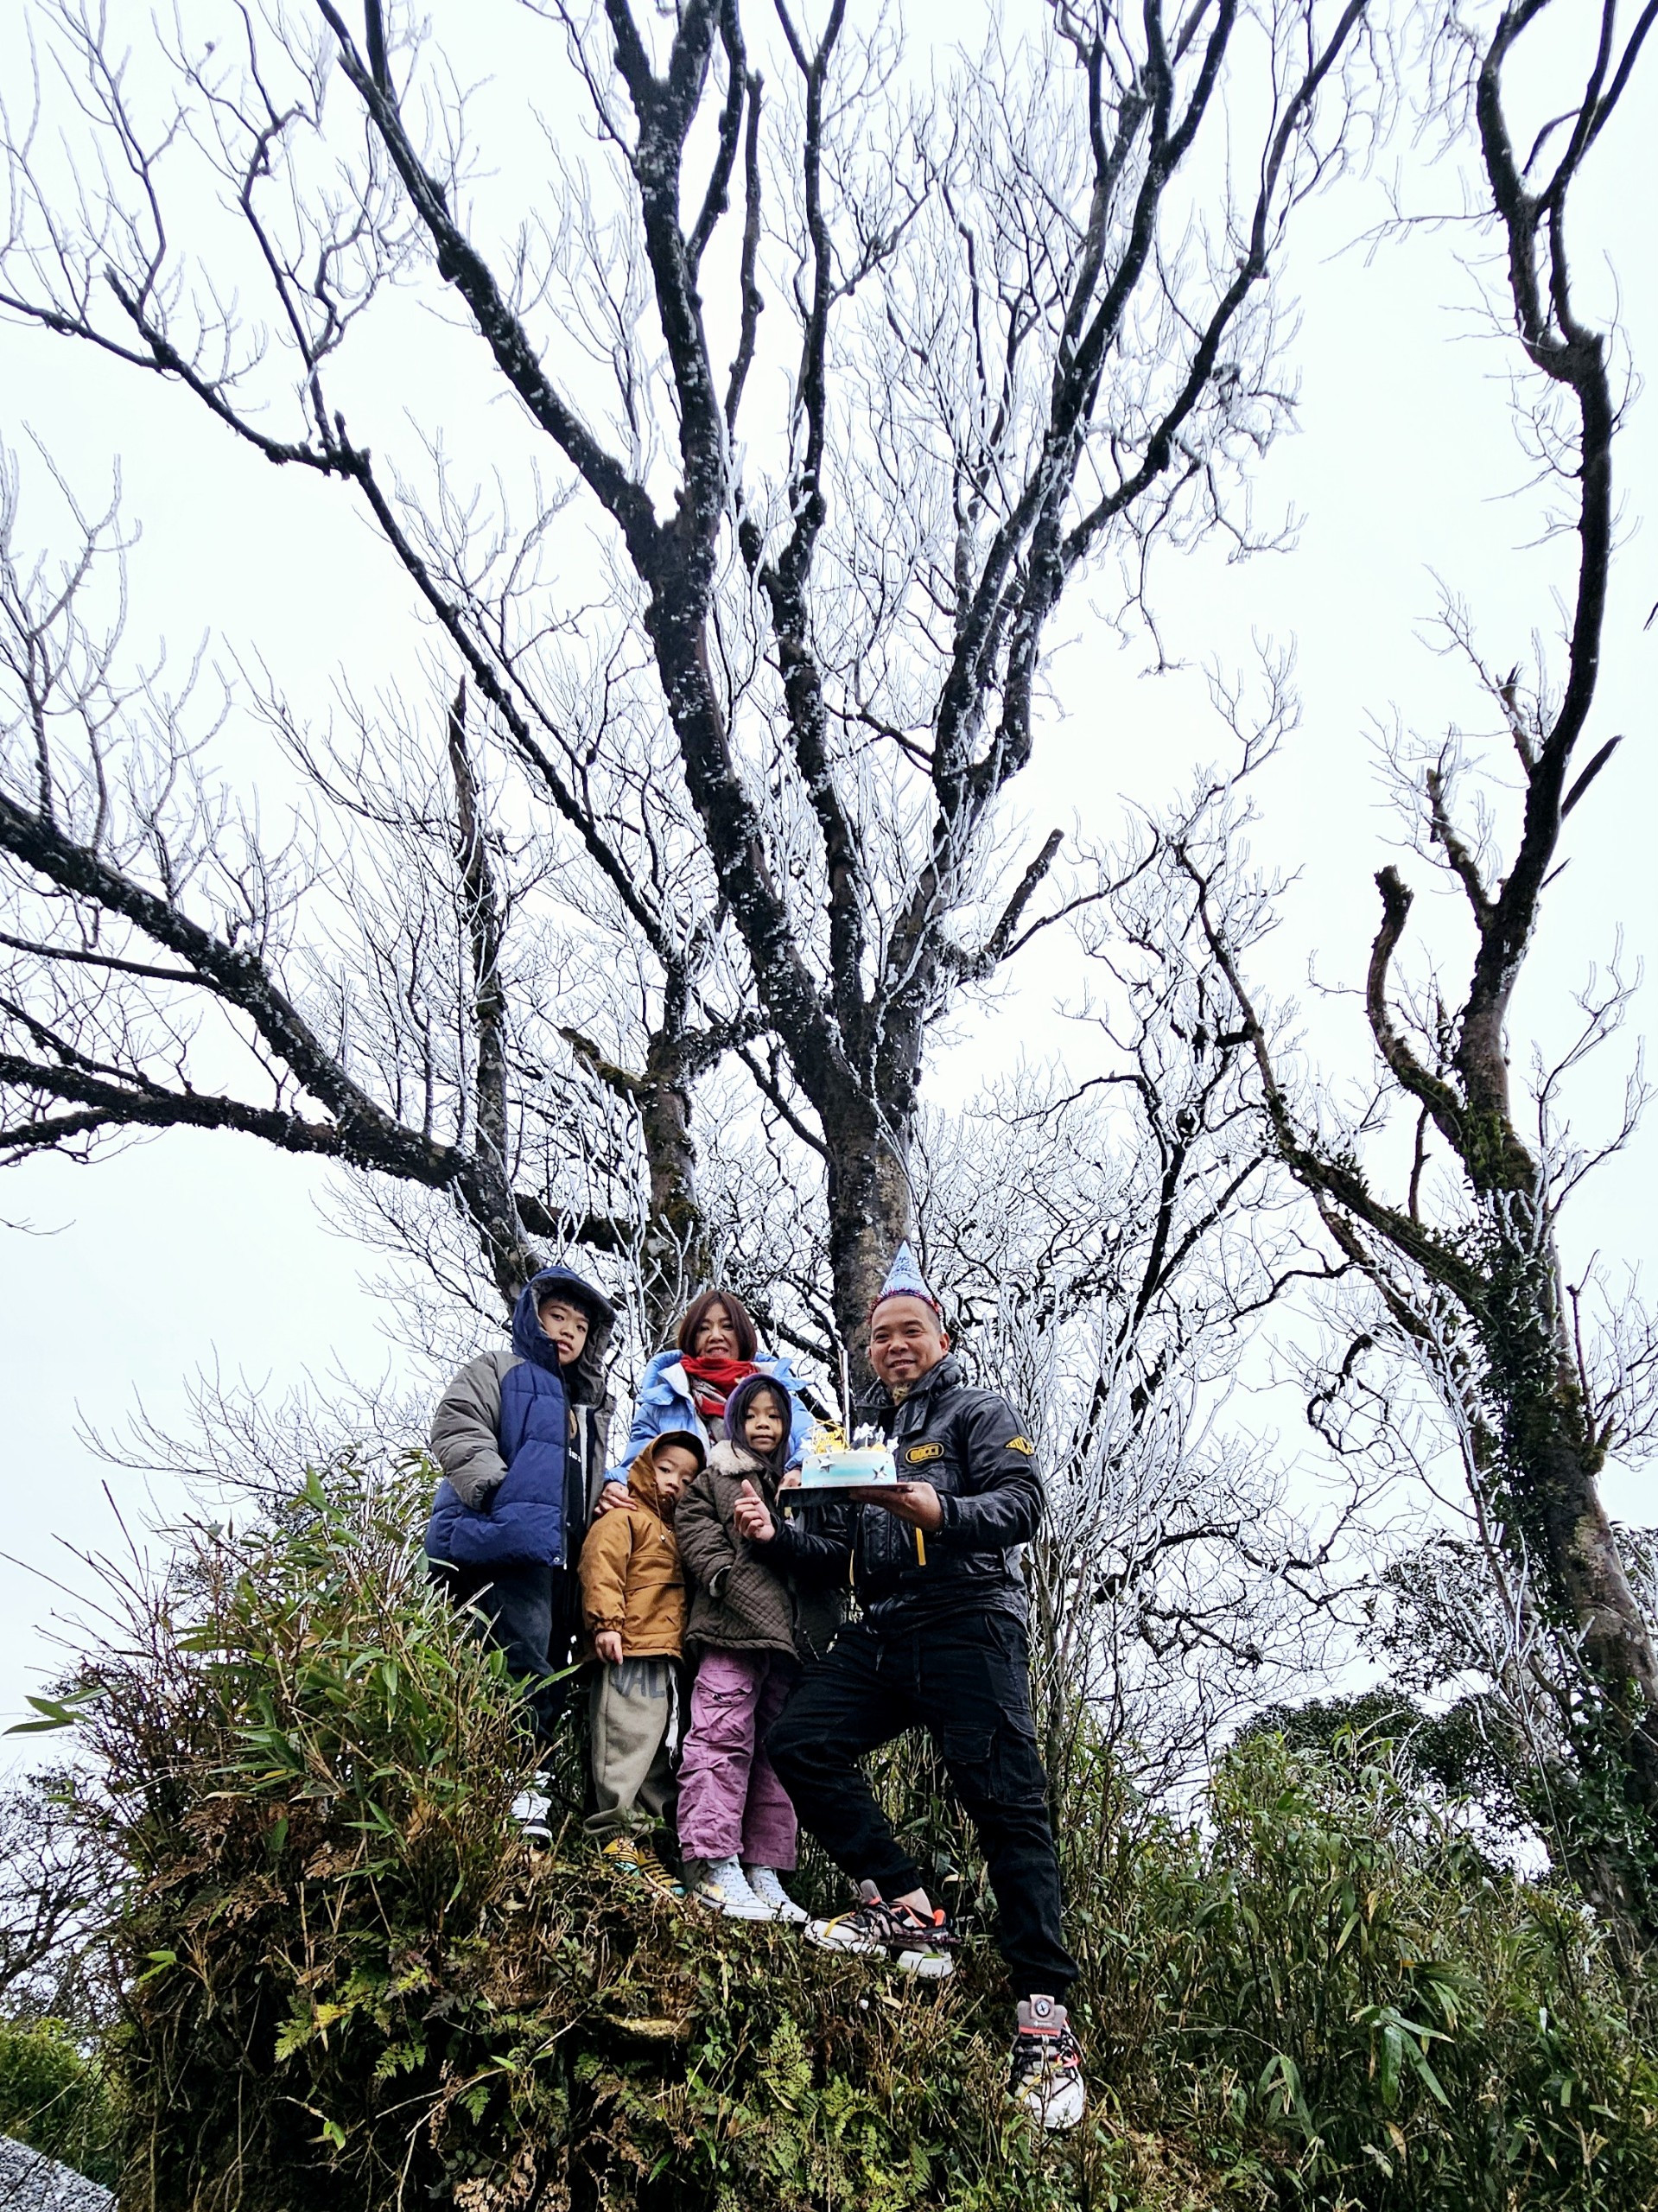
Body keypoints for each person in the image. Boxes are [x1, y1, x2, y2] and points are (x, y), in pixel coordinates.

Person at [754, 1243, 1087, 2132]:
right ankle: (907, 1907)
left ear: (940, 1338)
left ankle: (1044, 2019)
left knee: (1007, 1809)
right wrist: (777, 1523)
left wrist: (938, 1509)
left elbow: (1020, 1505)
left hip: (969, 1618)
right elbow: (838, 1551)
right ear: (867, 1351)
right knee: (799, 1740)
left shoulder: (976, 1411)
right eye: (880, 1337)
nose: (895, 1346)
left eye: (910, 1331)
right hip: (884, 1626)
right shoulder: (862, 1437)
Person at [425, 1263, 614, 1838]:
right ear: (533, 1318)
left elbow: (578, 1480)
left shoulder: (588, 1405)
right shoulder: (499, 1369)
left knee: (548, 1670)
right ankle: (515, 1792)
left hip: (558, 1560)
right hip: (503, 1545)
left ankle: (525, 1789)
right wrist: (497, 1491)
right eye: (557, 1317)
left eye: (580, 1326)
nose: (568, 1331)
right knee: (520, 1665)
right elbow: (456, 1425)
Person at [671, 1374, 845, 1923]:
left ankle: (762, 1869)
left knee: (775, 1753)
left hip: (790, 1641)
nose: (762, 1425)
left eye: (773, 1415)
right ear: (733, 1423)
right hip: (731, 1628)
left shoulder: (802, 1483)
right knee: (719, 1736)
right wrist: (723, 1576)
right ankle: (711, 1860)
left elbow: (827, 1550)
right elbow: (693, 1527)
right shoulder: (718, 1477)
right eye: (751, 1415)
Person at [577, 1429, 704, 1900]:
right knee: (623, 1739)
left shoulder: (679, 1533)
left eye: (687, 1480)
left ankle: (644, 1843)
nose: (674, 1483)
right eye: (666, 1470)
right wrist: (605, 1625)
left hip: (666, 1657)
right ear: (646, 1467)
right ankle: (614, 1835)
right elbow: (600, 1567)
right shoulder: (624, 1516)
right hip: (627, 1647)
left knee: (656, 1750)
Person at [606, 1288, 816, 1484]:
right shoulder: (660, 1405)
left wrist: (798, 1469)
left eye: (728, 1326)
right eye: (703, 1328)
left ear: (743, 1334)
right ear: (691, 1337)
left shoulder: (780, 1398)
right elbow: (635, 1467)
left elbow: (814, 1443)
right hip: (684, 1510)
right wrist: (615, 1484)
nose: (715, 1336)